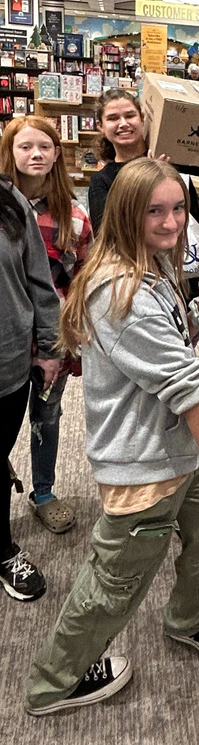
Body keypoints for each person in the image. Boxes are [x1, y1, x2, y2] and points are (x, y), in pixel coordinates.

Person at [24, 157, 199, 716]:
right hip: (146, 463)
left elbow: (165, 350)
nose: (172, 221)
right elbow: (182, 382)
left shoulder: (150, 270)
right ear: (128, 213)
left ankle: (185, 619)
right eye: (156, 210)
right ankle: (53, 684)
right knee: (113, 582)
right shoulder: (117, 290)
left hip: (179, 450)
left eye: (178, 208)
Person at [0, 116, 92, 535]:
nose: (35, 154)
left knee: (46, 415)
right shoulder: (5, 210)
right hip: (12, 338)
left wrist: (65, 339)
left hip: (55, 339)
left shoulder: (73, 216)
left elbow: (83, 281)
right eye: (25, 147)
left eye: (45, 147)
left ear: (58, 153)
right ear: (9, 152)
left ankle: (43, 490)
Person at [0, 176, 59, 602]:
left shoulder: (9, 199)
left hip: (8, 361)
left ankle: (2, 549)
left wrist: (49, 347)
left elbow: (40, 280)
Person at [87, 88, 199, 237]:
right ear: (100, 126)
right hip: (134, 259)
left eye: (130, 115)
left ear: (142, 118)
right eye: (113, 118)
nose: (123, 123)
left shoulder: (168, 161)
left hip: (182, 256)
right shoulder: (101, 181)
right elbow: (104, 236)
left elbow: (195, 224)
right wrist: (149, 177)